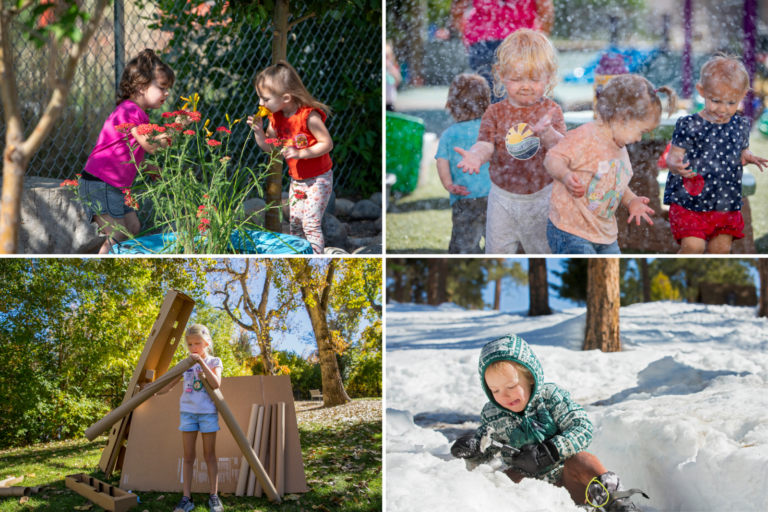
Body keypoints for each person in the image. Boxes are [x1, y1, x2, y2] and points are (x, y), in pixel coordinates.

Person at [451, 334, 648, 511]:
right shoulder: (492, 413)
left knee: (581, 459)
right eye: (494, 390)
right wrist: (473, 448)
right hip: (529, 489)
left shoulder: (550, 397)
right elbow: (487, 446)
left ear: (530, 376)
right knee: (502, 480)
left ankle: (617, 503)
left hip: (569, 480)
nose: (504, 396)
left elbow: (582, 427)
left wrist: (551, 451)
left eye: (511, 386)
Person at [454, 29, 566, 254]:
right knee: (496, 252)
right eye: (516, 79)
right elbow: (485, 144)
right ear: (501, 74)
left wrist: (548, 133)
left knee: (544, 252)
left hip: (543, 197)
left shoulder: (551, 111)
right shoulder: (495, 112)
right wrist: (476, 155)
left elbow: (563, 148)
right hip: (502, 199)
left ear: (549, 77)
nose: (526, 85)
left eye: (535, 79)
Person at [545, 75, 671, 254]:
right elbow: (552, 158)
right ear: (623, 117)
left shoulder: (619, 145)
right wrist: (564, 175)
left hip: (605, 234)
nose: (639, 138)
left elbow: (615, 184)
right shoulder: (585, 136)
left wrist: (631, 201)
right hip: (571, 229)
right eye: (641, 131)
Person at [664, 55, 768, 254]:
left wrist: (747, 155)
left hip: (724, 201)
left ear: (742, 95)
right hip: (690, 201)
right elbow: (672, 156)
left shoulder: (740, 125)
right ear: (702, 91)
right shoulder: (689, 125)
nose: (722, 108)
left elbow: (742, 150)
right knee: (694, 247)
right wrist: (675, 165)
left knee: (720, 251)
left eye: (731, 102)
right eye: (715, 100)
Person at [80, 49, 177, 254]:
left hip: (116, 185)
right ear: (141, 87)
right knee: (118, 234)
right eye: (162, 88)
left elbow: (125, 152)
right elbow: (151, 145)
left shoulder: (132, 111)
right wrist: (176, 128)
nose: (167, 93)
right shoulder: (132, 111)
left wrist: (146, 166)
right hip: (101, 183)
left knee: (133, 228)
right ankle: (101, 267)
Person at [247, 61, 333, 254]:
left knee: (310, 224)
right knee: (295, 224)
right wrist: (259, 132)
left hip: (319, 179)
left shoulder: (308, 117)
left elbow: (327, 144)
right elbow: (271, 148)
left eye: (265, 98)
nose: (261, 103)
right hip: (297, 180)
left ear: (286, 97)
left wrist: (300, 153)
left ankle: (315, 260)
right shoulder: (275, 117)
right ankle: (298, 259)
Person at [156, 324, 224, 512]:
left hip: (208, 413)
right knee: (188, 457)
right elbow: (168, 385)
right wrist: (151, 391)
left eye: (197, 343)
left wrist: (201, 363)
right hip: (187, 413)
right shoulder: (185, 363)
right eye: (190, 344)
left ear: (207, 343)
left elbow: (216, 384)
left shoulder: (214, 361)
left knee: (209, 456)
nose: (193, 348)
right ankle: (187, 498)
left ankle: (214, 497)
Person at [450, 0, 554, 104]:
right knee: (523, 91)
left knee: (486, 91)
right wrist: (541, 39)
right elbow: (546, 11)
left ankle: (489, 116)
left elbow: (457, 7)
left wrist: (464, 33)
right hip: (521, 41)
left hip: (482, 41)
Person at [436, 74, 492, 253]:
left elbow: (441, 162)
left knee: (464, 244)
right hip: (494, 197)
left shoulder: (449, 134)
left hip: (464, 198)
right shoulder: (489, 129)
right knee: (498, 241)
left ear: (451, 105)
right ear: (486, 103)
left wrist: (449, 186)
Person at [386, 41, 402, 112]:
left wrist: (390, 68)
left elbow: (398, 79)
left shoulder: (392, 68)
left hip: (390, 102)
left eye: (387, 56)